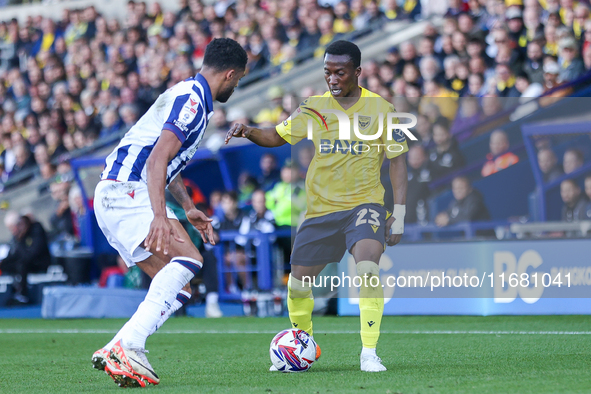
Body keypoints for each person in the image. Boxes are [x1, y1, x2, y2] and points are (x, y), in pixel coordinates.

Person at [225, 40, 408, 372]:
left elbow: (398, 163)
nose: (333, 79)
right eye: (327, 72)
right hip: (322, 210)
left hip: (364, 206)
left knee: (367, 269)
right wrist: (248, 130)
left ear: (357, 72)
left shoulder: (383, 110)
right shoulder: (313, 107)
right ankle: (300, 347)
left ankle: (369, 352)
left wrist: (400, 215)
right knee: (297, 285)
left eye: (340, 72)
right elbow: (278, 136)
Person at [91, 38, 247, 388]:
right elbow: (156, 159)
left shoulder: (190, 96)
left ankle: (122, 346)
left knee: (180, 286)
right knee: (191, 259)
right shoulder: (193, 101)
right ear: (231, 74)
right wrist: (161, 216)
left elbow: (168, 165)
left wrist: (188, 207)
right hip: (127, 190)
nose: (237, 86)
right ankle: (128, 344)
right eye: (238, 80)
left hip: (114, 194)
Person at [0, 211, 51, 305]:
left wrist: (20, 242)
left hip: (39, 263)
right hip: (25, 262)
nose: (12, 231)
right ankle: (14, 291)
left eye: (12, 228)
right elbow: (14, 254)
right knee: (7, 265)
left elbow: (34, 252)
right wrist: (3, 262)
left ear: (19, 224)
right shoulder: (18, 236)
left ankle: (22, 294)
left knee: (21, 265)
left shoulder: (36, 229)